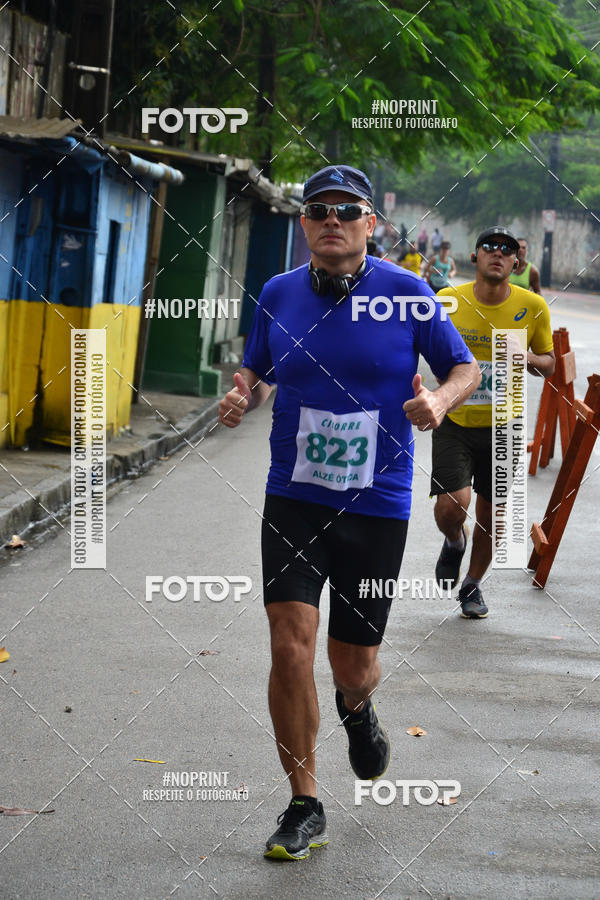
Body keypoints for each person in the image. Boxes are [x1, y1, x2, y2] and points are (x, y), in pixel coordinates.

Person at [218, 164, 479, 861]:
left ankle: (358, 712)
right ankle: (304, 803)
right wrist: (243, 394)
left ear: (371, 224)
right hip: (294, 498)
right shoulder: (278, 293)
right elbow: (258, 370)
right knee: (288, 644)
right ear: (305, 223)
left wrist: (440, 400)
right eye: (319, 210)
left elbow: (465, 367)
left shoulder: (407, 293)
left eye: (347, 210)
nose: (331, 220)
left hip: (377, 505)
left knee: (352, 666)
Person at [432, 227, 555, 618]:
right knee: (452, 506)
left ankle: (472, 585)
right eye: (489, 247)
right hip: (455, 419)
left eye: (507, 249)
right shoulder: (447, 300)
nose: (498, 253)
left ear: (517, 262)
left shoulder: (533, 306)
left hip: (504, 425)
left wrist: (526, 357)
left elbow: (549, 364)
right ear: (475, 257)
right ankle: (454, 541)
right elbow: (419, 346)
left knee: (491, 516)